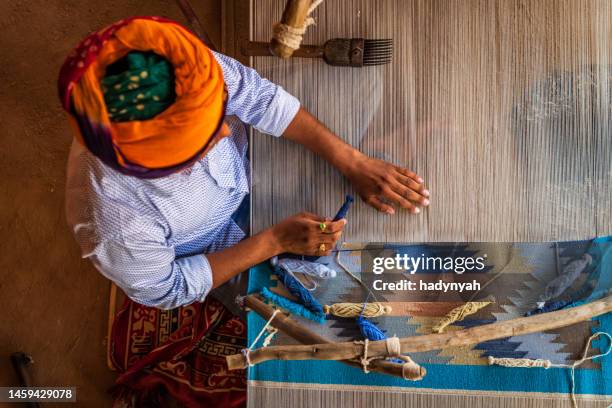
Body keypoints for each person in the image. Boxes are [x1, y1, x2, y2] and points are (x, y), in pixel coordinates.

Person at [58, 16, 430, 406]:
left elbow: (256, 97)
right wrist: (273, 241)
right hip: (213, 246)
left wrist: (352, 161)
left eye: (217, 112)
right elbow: (170, 288)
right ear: (160, 167)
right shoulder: (116, 222)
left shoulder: (172, 64)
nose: (224, 131)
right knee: (327, 326)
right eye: (205, 137)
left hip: (248, 168)